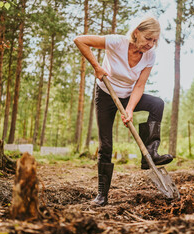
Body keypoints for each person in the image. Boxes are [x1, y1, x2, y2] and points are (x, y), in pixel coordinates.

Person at [74, 17, 173, 206]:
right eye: (148, 38)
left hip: (128, 95)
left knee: (157, 104)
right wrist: (97, 67)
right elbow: (80, 40)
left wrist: (129, 109)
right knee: (106, 144)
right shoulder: (116, 42)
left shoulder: (150, 56)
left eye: (154, 41)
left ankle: (150, 153)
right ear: (136, 32)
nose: (150, 44)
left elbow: (139, 85)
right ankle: (102, 195)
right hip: (106, 95)